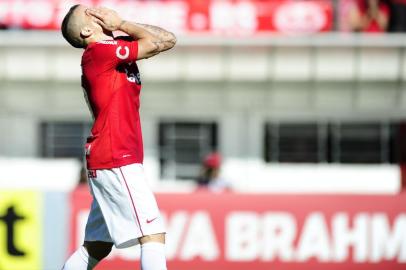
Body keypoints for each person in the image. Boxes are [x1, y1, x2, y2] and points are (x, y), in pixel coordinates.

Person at [60, 5, 176, 270]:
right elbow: (155, 41)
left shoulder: (111, 49)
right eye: (90, 12)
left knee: (97, 246)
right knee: (152, 234)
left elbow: (168, 39)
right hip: (116, 155)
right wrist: (122, 22)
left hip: (112, 156)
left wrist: (123, 25)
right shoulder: (100, 53)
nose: (99, 9)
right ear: (88, 30)